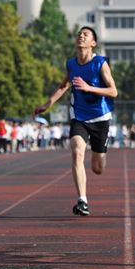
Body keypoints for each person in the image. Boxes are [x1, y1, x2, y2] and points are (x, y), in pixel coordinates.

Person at [34, 26, 117, 216]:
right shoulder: (71, 64)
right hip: (78, 116)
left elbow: (113, 91)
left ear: (93, 43)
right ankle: (82, 200)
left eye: (85, 34)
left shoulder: (100, 63)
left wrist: (89, 88)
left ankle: (101, 153)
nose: (81, 36)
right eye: (79, 34)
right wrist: (47, 104)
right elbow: (64, 85)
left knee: (98, 168)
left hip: (100, 117)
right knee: (77, 151)